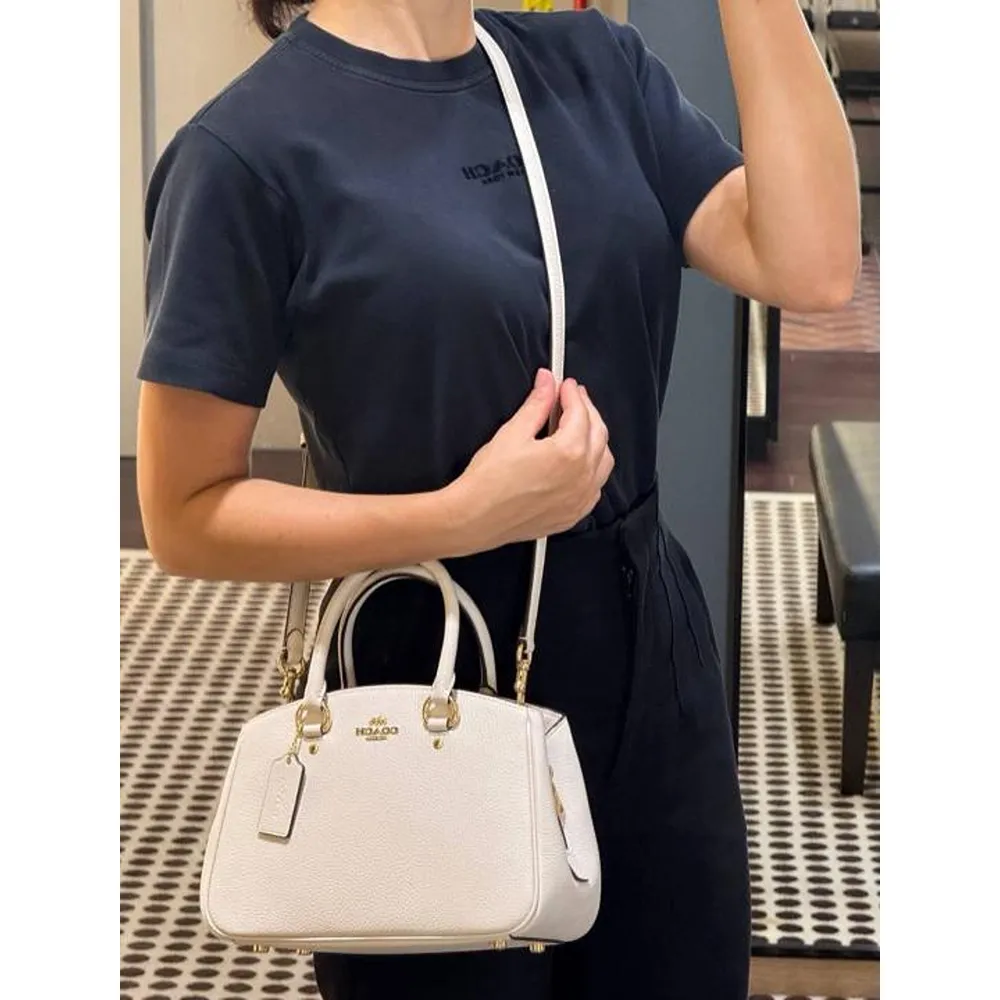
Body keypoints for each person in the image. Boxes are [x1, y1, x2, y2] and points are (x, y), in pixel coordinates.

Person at [135, 0, 859, 996]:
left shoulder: (595, 69)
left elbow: (811, 265)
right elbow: (185, 513)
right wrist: (460, 515)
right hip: (424, 665)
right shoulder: (243, 152)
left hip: (648, 650)